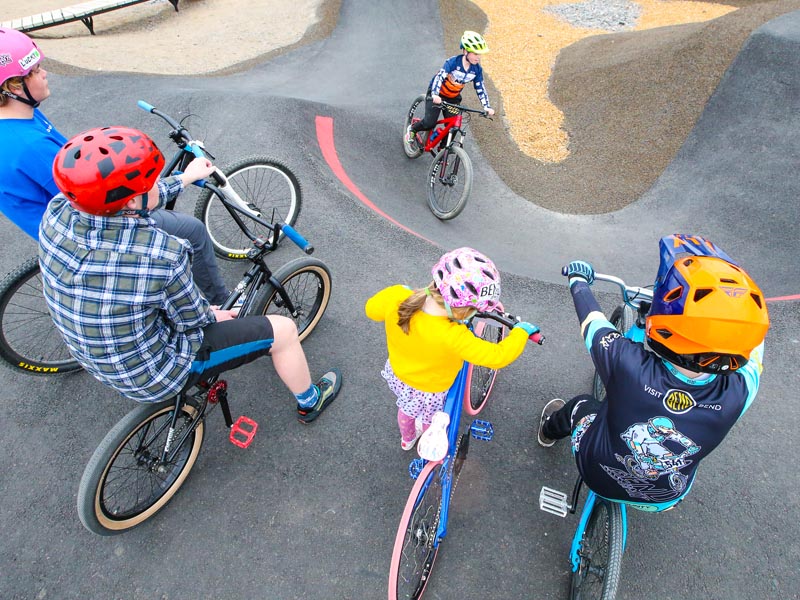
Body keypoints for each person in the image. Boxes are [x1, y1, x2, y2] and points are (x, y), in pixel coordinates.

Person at [39, 126, 341, 423]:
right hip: (154, 373)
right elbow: (193, 320)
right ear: (130, 201)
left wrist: (185, 178)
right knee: (284, 331)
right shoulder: (162, 254)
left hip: (89, 352)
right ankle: (310, 401)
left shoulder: (58, 211)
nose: (157, 184)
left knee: (181, 250)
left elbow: (139, 203)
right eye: (151, 182)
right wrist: (216, 314)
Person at [538, 234, 770, 511]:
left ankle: (549, 430)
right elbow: (755, 347)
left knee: (581, 405)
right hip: (666, 497)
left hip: (598, 474)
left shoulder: (627, 363)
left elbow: (592, 322)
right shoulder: (741, 391)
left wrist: (578, 280)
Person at [0, 28, 228, 304]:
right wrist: (185, 178)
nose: (45, 73)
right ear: (14, 86)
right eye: (35, 71)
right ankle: (220, 303)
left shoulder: (21, 118)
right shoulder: (30, 147)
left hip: (53, 224)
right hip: (88, 226)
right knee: (192, 231)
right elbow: (111, 200)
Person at [366, 247, 538, 450]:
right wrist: (520, 333)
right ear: (464, 310)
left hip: (400, 375)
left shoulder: (397, 297)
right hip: (431, 390)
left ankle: (407, 438)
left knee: (406, 409)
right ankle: (429, 443)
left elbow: (371, 310)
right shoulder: (454, 336)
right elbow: (497, 356)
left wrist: (402, 290)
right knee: (430, 420)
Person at [405, 30, 496, 146]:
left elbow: (480, 88)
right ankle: (412, 129)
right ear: (465, 51)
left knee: (454, 126)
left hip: (453, 98)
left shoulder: (477, 69)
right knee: (429, 123)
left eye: (480, 54)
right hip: (438, 93)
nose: (478, 57)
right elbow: (439, 77)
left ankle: (443, 150)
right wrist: (435, 94)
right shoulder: (453, 62)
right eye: (475, 53)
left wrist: (486, 106)